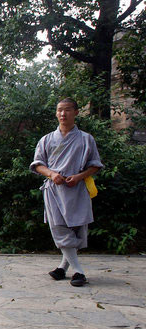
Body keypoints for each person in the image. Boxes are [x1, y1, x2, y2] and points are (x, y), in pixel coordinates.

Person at [30, 98, 103, 287]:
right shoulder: (46, 139)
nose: (63, 114)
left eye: (68, 110)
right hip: (54, 190)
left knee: (77, 229)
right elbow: (38, 164)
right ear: (56, 113)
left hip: (77, 189)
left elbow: (95, 165)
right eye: (60, 110)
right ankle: (79, 271)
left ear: (76, 112)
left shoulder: (86, 139)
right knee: (60, 229)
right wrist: (52, 174)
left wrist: (79, 176)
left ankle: (62, 268)